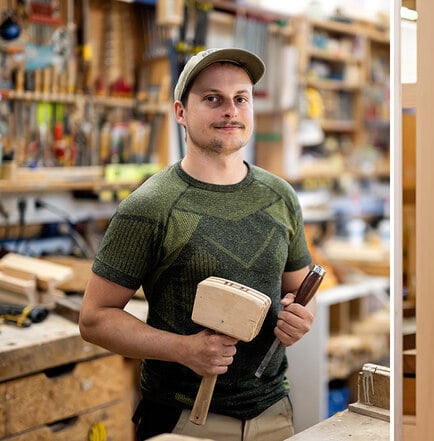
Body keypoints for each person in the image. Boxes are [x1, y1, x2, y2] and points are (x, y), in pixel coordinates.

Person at [79, 47, 314, 441]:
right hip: (184, 419)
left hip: (274, 413)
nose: (231, 111)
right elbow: (94, 318)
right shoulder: (150, 206)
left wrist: (300, 319)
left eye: (241, 98)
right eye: (212, 99)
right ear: (181, 113)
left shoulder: (280, 196)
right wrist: (184, 350)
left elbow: (300, 291)